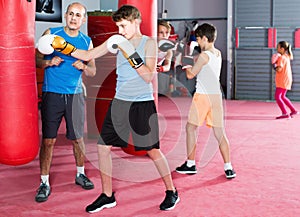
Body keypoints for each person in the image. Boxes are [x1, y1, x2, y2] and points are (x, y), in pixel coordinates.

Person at [38, 4, 180, 213]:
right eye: (118, 27)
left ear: (136, 22)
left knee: (152, 150)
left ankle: (171, 191)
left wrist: (130, 52)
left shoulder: (149, 43)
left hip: (141, 103)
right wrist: (64, 46)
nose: (120, 31)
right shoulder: (117, 39)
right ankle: (107, 195)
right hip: (120, 102)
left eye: (123, 26)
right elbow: (87, 55)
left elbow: (149, 76)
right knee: (103, 147)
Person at [35, 2, 96, 203]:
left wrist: (84, 67)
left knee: (77, 138)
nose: (73, 18)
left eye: (78, 15)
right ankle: (44, 182)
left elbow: (93, 71)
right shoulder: (52, 33)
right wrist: (48, 62)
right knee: (49, 140)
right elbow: (36, 59)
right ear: (66, 16)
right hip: (52, 93)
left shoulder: (87, 42)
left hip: (75, 95)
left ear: (83, 19)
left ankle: (80, 173)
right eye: (71, 13)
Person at [175, 23, 236, 179]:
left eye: (199, 39)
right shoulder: (217, 53)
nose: (198, 42)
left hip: (202, 96)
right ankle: (228, 167)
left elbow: (190, 75)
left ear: (204, 38)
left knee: (190, 128)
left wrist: (186, 56)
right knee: (219, 133)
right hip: (216, 97)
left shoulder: (203, 56)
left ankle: (190, 164)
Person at [273, 41, 298, 119]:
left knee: (277, 97)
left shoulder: (281, 58)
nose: (277, 49)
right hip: (287, 80)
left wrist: (274, 65)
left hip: (282, 80)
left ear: (282, 49)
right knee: (283, 96)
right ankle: (293, 110)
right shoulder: (287, 56)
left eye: (278, 47)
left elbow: (279, 69)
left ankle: (285, 113)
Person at [157, 20, 174, 95]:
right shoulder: (150, 45)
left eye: (166, 32)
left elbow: (168, 66)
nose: (164, 35)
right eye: (161, 32)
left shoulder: (168, 50)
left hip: (155, 72)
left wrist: (160, 68)